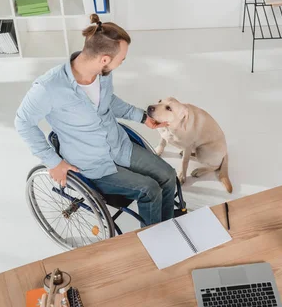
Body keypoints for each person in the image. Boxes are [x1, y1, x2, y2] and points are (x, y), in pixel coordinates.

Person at [15, 14, 175, 226]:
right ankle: (153, 240)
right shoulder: (49, 87)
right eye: (122, 59)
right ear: (105, 59)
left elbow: (109, 101)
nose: (122, 63)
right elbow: (23, 122)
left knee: (168, 175)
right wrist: (53, 162)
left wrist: (142, 117)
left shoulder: (103, 74)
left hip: (119, 146)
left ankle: (169, 227)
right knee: (150, 189)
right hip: (91, 164)